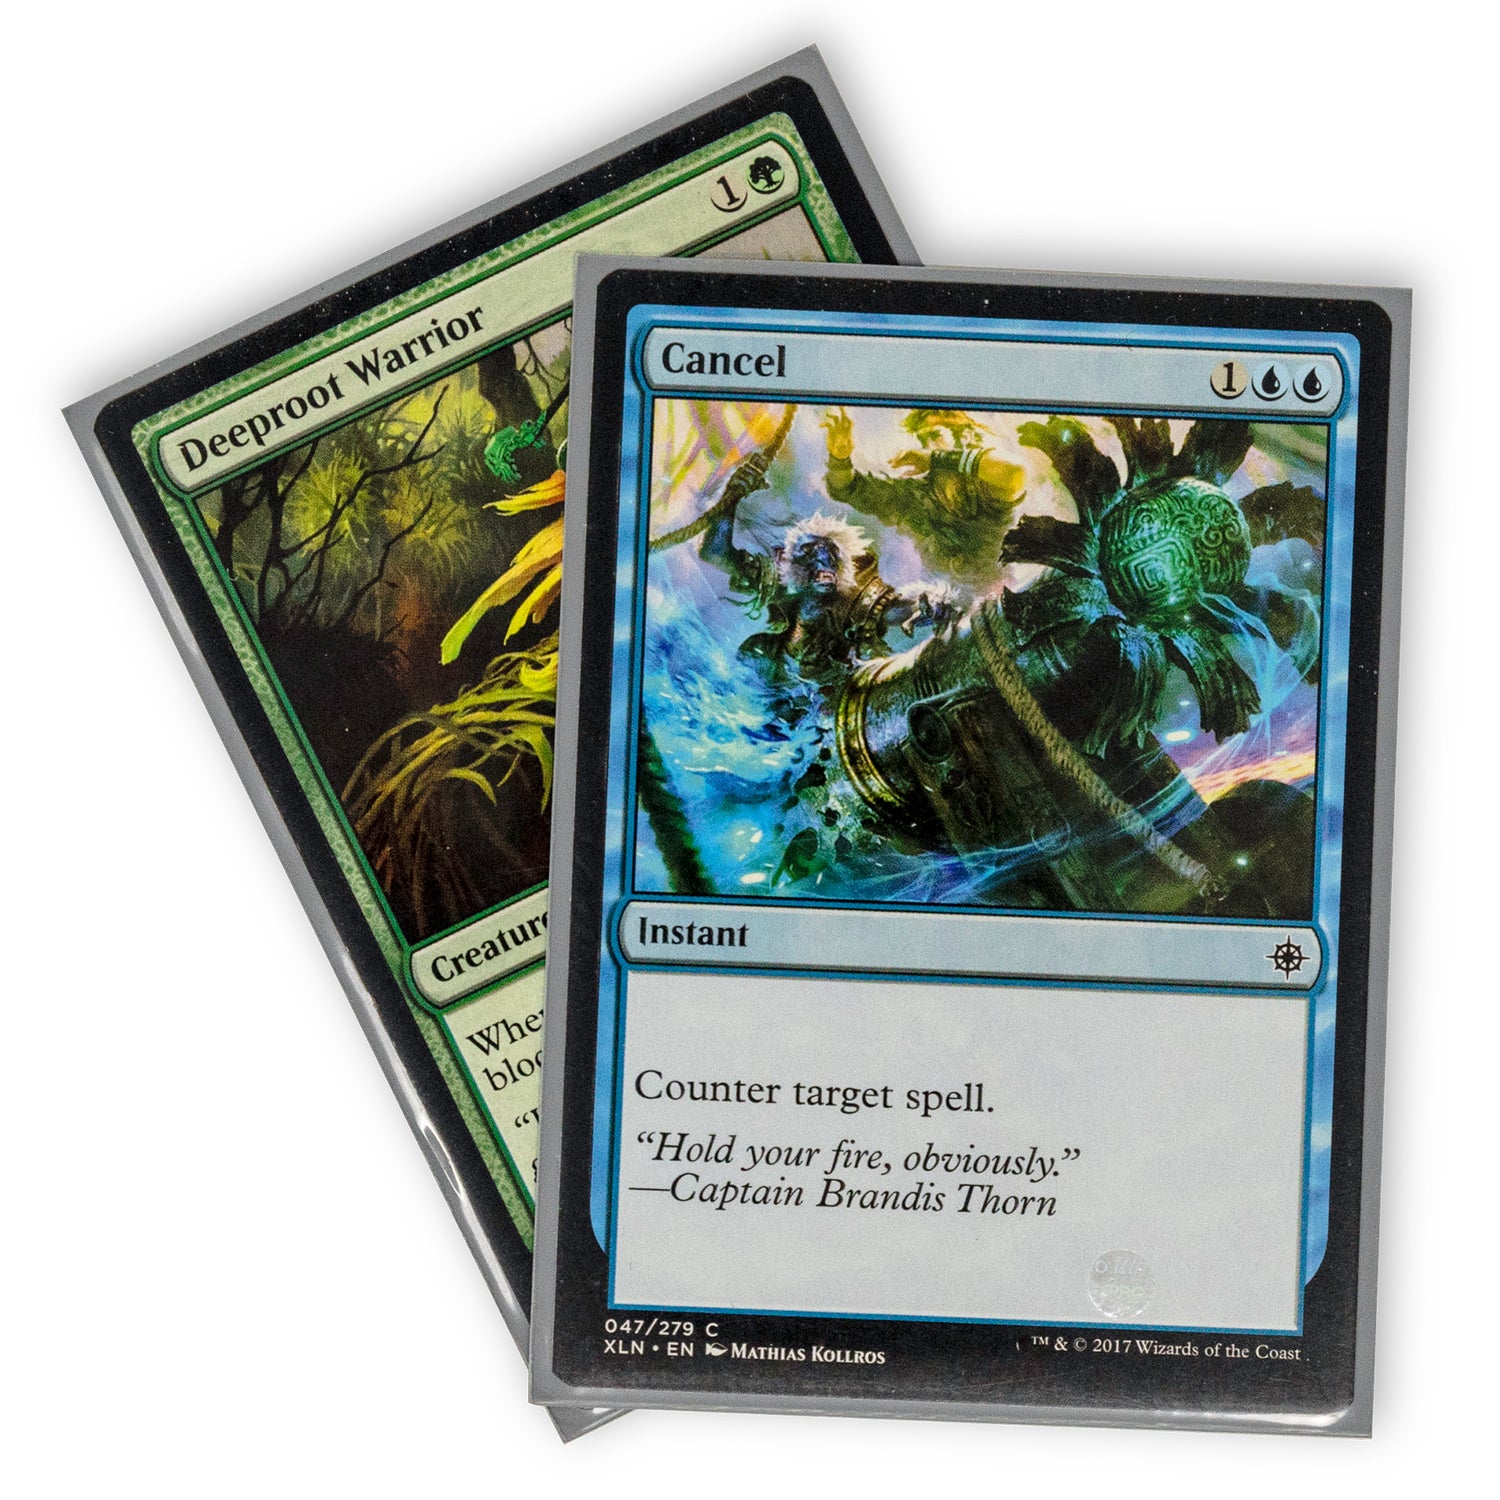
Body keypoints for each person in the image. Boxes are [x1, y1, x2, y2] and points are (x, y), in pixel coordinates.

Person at [823, 408, 1026, 589]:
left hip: (1009, 588)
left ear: (963, 437)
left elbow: (1014, 474)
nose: (928, 445)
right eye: (923, 440)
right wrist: (839, 459)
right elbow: (847, 488)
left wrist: (936, 458)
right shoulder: (913, 495)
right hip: (953, 602)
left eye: (935, 435)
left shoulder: (985, 485)